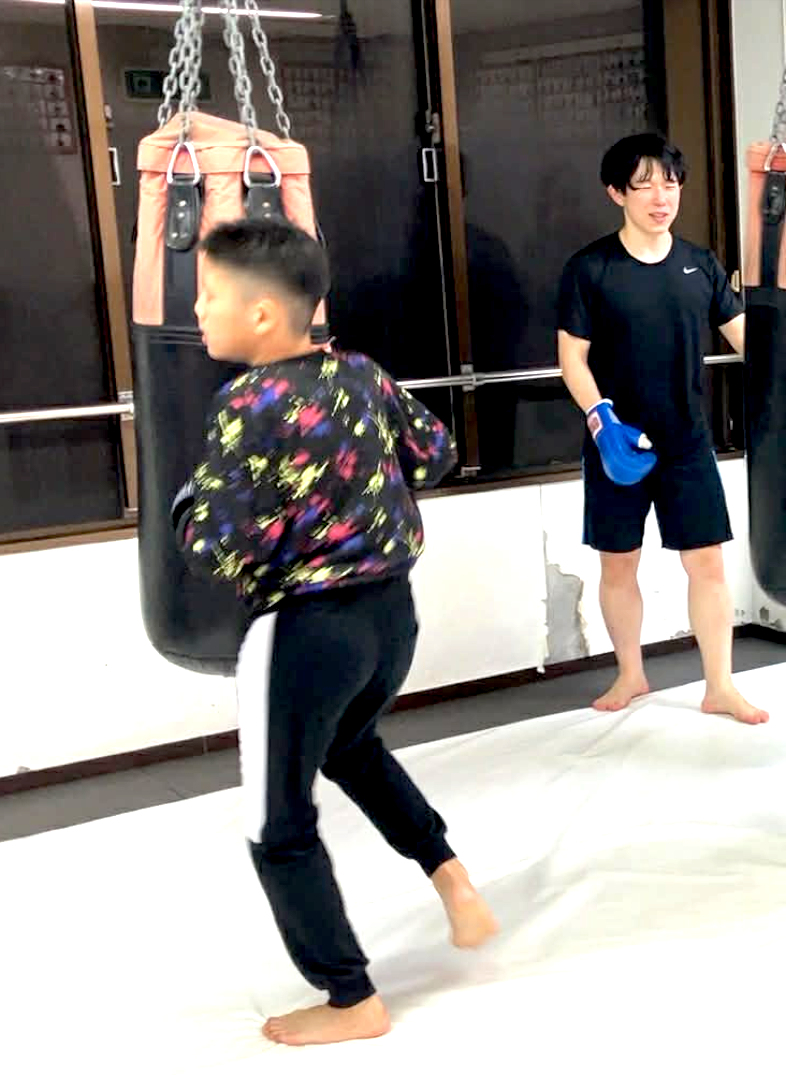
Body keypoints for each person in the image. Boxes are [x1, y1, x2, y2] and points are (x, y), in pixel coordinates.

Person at [172, 218, 497, 1046]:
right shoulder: (358, 371)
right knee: (352, 748)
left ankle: (351, 998)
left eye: (208, 294)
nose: (196, 310)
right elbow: (434, 454)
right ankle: (449, 875)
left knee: (277, 826)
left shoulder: (245, 403)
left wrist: (185, 512)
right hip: (390, 618)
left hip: (307, 632)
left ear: (261, 315)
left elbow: (217, 548)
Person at [556, 133, 766, 723]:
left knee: (708, 564)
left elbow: (747, 340)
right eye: (644, 185)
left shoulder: (699, 265)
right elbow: (572, 358)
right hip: (615, 440)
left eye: (670, 184)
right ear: (616, 192)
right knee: (618, 563)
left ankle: (719, 685)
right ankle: (631, 672)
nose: (660, 197)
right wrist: (600, 419)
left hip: (686, 442)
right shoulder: (590, 269)